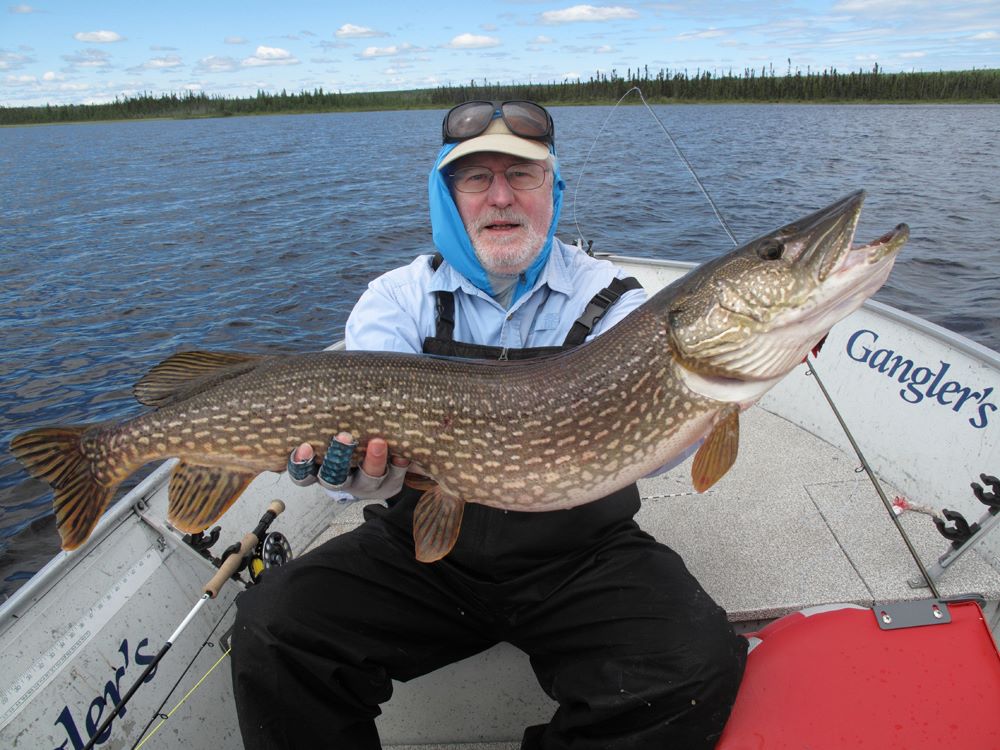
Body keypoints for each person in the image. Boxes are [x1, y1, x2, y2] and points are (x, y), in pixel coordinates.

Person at [230, 100, 747, 749]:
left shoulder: (613, 298)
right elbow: (369, 458)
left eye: (522, 175)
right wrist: (355, 476)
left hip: (580, 554)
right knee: (272, 629)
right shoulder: (398, 298)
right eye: (477, 177)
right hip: (424, 555)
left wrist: (721, 390)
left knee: (697, 667)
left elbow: (648, 446)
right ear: (449, 195)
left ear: (551, 188)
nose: (501, 197)